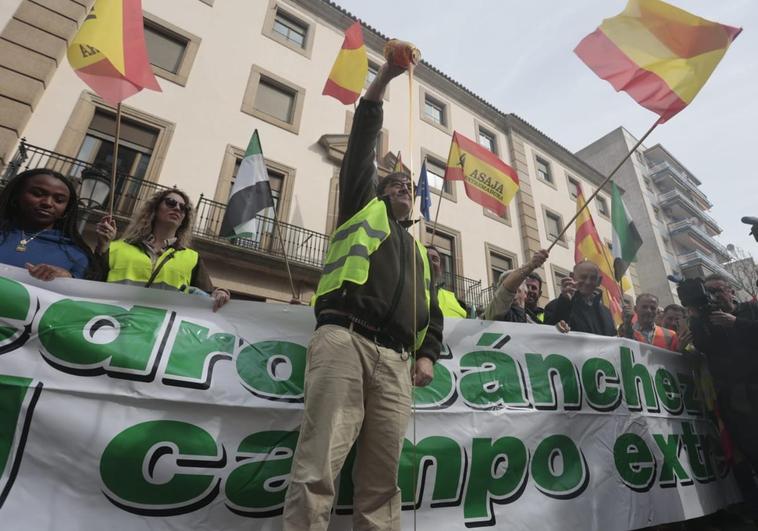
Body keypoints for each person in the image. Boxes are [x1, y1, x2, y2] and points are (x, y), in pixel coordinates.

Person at [282, 56, 443, 531]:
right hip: (344, 341)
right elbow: (361, 142)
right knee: (319, 467)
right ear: (378, 189)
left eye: (407, 187)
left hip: (396, 362)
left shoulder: (417, 252)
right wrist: (387, 77)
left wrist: (427, 355)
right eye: (394, 183)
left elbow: (431, 313)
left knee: (383, 481)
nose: (403, 189)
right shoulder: (360, 210)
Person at [95, 189, 230, 311]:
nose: (177, 208)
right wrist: (102, 248)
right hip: (114, 327)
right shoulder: (116, 247)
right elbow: (91, 283)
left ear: (184, 218)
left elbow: (208, 297)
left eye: (183, 208)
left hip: (158, 333)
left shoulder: (192, 258)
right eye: (171, 203)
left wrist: (221, 293)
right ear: (155, 209)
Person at [0, 168, 96, 280]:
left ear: (66, 210)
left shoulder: (76, 256)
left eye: (59, 200)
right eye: (37, 194)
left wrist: (67, 279)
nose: (48, 203)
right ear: (16, 196)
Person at [543, 260, 616, 336]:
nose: (588, 282)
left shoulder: (606, 313)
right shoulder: (555, 306)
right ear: (572, 277)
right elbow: (550, 335)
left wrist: (627, 328)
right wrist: (564, 302)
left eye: (593, 278)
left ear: (599, 281)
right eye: (583, 277)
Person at [484, 250, 548, 323]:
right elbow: (506, 292)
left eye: (516, 289)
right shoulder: (495, 311)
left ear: (525, 293)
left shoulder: (534, 322)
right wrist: (531, 265)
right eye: (511, 289)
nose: (511, 294)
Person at [426, 244, 467, 318]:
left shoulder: (455, 301)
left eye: (435, 259)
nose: (430, 262)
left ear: (441, 270)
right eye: (426, 257)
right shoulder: (408, 291)